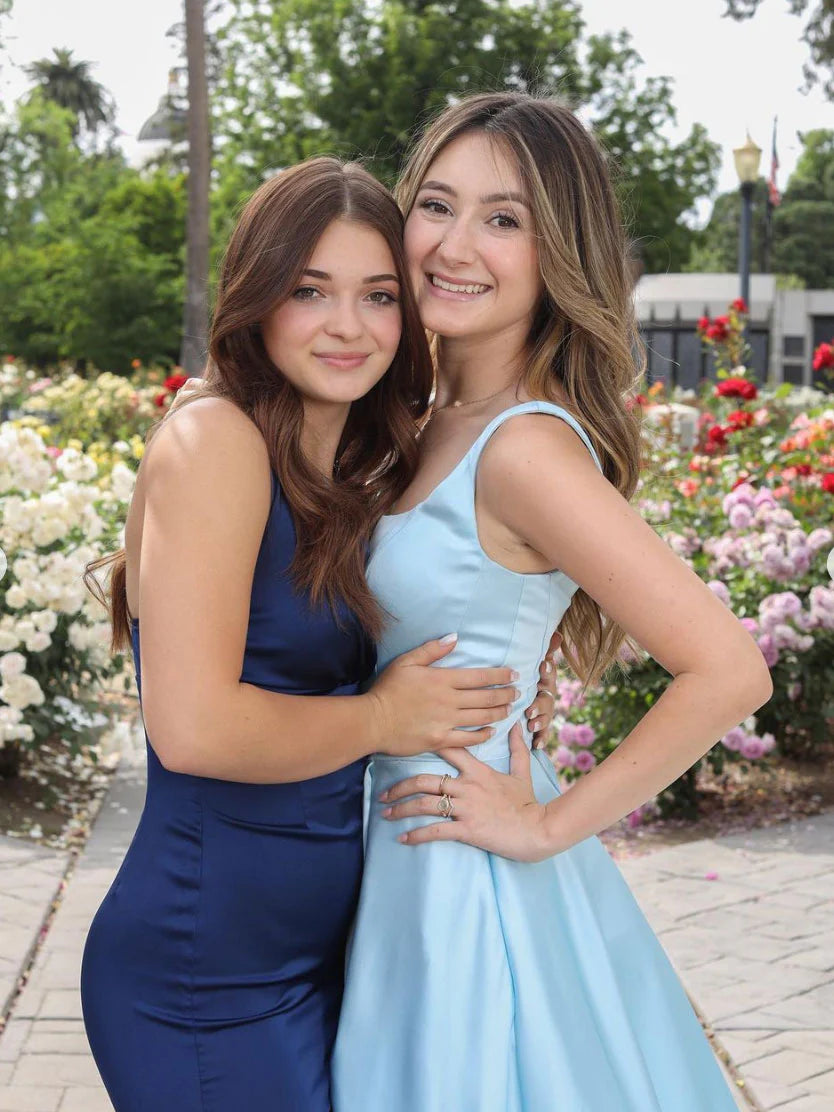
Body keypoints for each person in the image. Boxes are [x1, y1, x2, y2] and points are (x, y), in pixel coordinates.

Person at [80, 157, 555, 1112]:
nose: (349, 325)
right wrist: (385, 718)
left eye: (378, 295)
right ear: (257, 298)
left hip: (319, 964)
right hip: (203, 979)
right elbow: (194, 730)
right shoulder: (216, 440)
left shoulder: (345, 469)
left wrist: (495, 678)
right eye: (310, 291)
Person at [331, 93, 773, 1111]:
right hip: (383, 854)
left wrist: (545, 828)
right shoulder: (419, 416)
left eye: (504, 219)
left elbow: (728, 669)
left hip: (455, 876)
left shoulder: (524, 448)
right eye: (436, 204)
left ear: (557, 252)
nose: (454, 244)